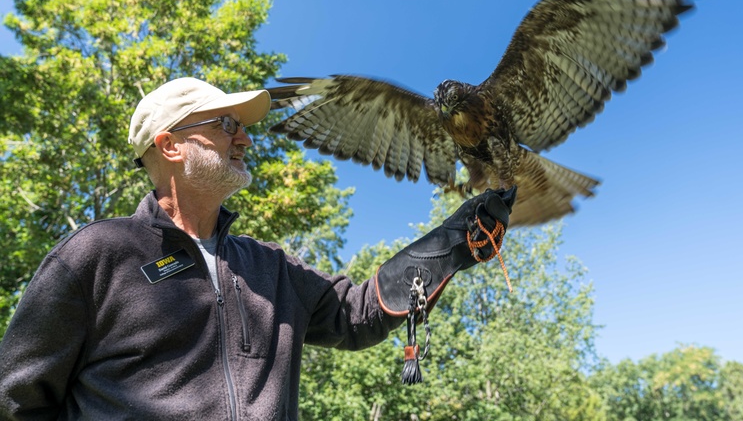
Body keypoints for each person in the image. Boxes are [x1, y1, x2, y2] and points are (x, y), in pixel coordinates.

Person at [0, 77, 516, 420]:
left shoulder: (269, 267)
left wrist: (452, 240)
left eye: (243, 126)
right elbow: (16, 401)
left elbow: (357, 313)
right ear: (171, 145)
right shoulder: (97, 255)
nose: (245, 138)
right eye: (226, 125)